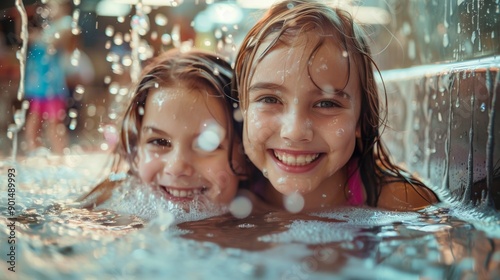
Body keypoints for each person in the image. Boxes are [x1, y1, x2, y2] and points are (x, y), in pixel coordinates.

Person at [232, 0, 439, 212]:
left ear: (361, 118)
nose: (294, 131)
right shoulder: (224, 197)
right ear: (242, 108)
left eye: (326, 103)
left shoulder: (403, 202)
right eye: (270, 99)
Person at [78, 49, 252, 210]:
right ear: (135, 150)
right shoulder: (106, 210)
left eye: (207, 144)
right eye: (159, 142)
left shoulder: (266, 224)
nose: (176, 168)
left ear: (245, 155)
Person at [24, 0, 72, 155]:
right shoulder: (49, 26)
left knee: (54, 124)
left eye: (52, 5)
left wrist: (35, 36)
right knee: (33, 122)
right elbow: (26, 38)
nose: (49, 9)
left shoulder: (66, 23)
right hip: (38, 84)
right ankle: (35, 153)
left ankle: (60, 156)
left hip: (53, 84)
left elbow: (53, 42)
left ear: (63, 6)